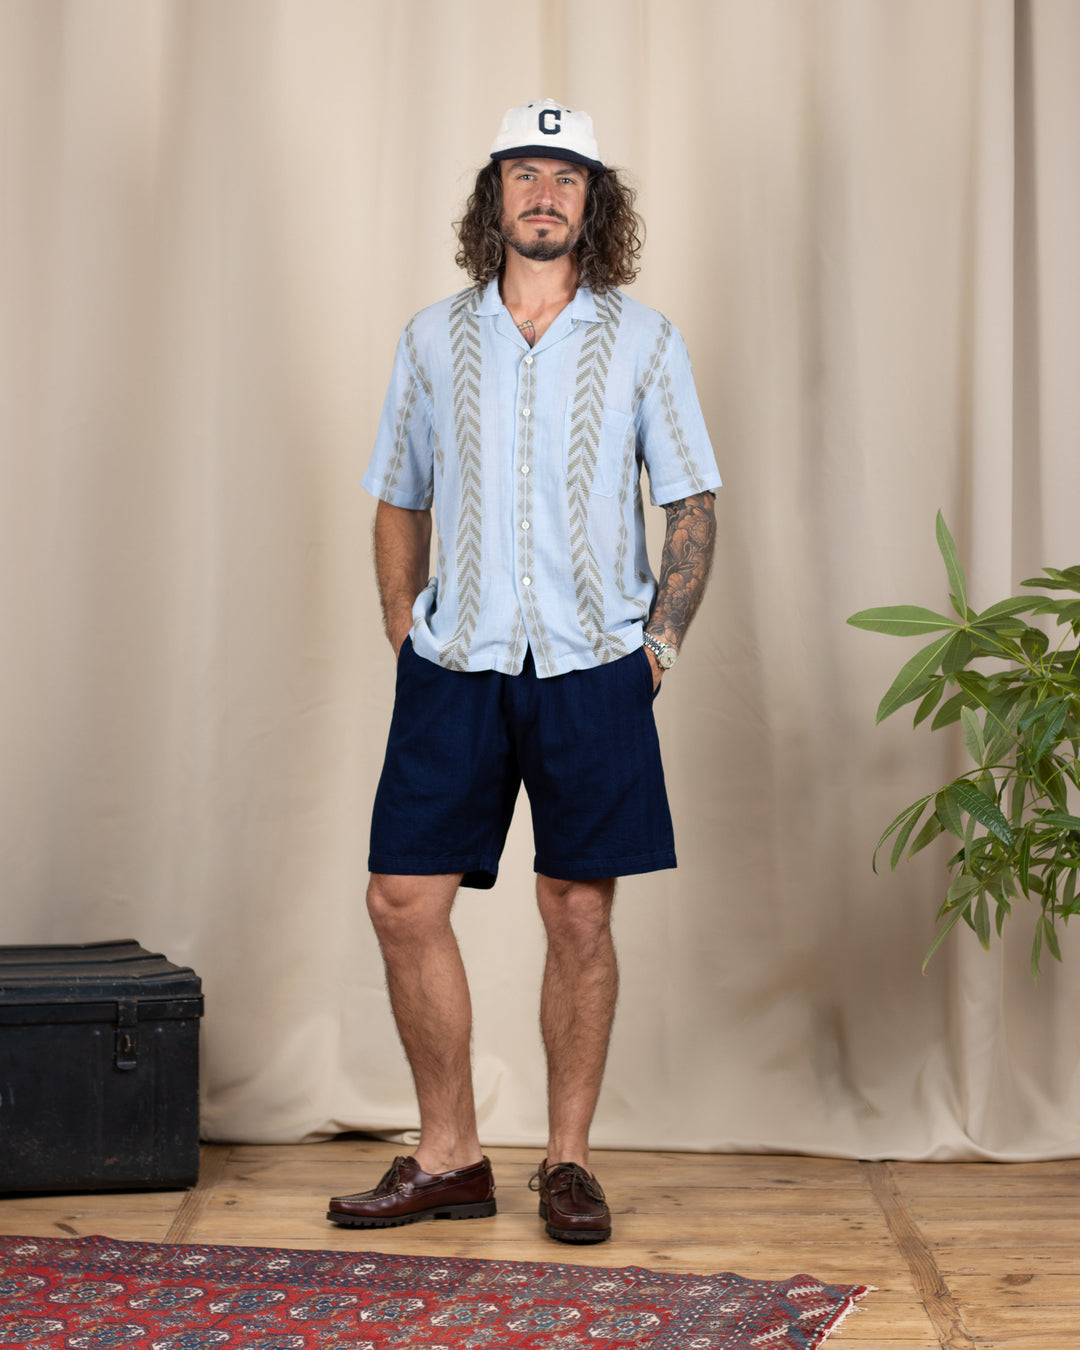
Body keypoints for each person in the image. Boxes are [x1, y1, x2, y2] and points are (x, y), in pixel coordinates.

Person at [328, 98, 720, 1245]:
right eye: (525, 173)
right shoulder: (431, 338)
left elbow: (691, 499)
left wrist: (659, 646)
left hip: (596, 663)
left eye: (567, 175)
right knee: (402, 900)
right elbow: (398, 494)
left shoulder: (645, 340)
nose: (544, 193)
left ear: (594, 202)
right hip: (457, 661)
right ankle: (449, 1155)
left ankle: (568, 1162)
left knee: (577, 911)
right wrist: (403, 623)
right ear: (492, 195)